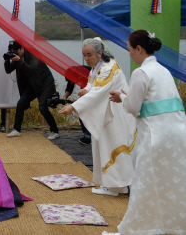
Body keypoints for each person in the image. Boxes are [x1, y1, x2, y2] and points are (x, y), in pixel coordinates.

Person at [109, 30, 186, 234]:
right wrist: (127, 96)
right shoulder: (164, 71)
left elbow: (133, 107)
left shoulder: (140, 72)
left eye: (130, 50)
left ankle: (146, 225)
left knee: (147, 182)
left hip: (156, 137)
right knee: (174, 182)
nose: (130, 55)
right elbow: (156, 102)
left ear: (139, 49)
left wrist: (122, 97)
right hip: (178, 132)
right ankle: (175, 225)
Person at [58, 38, 135, 196]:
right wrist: (85, 90)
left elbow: (98, 91)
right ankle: (112, 184)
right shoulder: (98, 67)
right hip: (106, 111)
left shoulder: (108, 68)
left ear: (100, 53)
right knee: (104, 146)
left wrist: (74, 106)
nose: (86, 58)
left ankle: (115, 185)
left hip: (114, 113)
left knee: (112, 146)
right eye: (84, 55)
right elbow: (93, 85)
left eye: (89, 55)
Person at [4, 41, 60, 139]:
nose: (15, 53)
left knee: (43, 107)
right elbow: (8, 70)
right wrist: (7, 60)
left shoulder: (33, 54)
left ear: (22, 48)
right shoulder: (18, 58)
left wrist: (19, 60)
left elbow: (32, 69)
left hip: (44, 83)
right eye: (13, 51)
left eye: (16, 50)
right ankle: (17, 130)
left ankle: (55, 131)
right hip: (32, 85)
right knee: (21, 103)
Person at [63, 65, 92, 144]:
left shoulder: (87, 74)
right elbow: (70, 86)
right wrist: (65, 97)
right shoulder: (73, 74)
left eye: (73, 81)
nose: (72, 83)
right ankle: (87, 134)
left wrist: (80, 101)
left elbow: (91, 92)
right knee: (80, 109)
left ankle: (88, 136)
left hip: (94, 95)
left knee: (82, 110)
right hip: (87, 93)